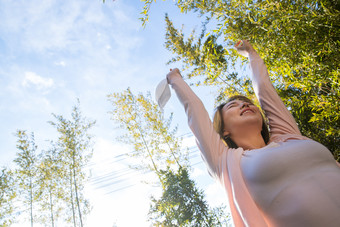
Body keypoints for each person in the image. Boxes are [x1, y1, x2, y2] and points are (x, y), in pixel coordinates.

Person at [166, 40, 340, 227]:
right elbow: (195, 112)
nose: (244, 104)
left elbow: (265, 89)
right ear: (224, 130)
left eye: (247, 103)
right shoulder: (225, 162)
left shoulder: (287, 135)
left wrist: (251, 54)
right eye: (234, 105)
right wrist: (175, 79)